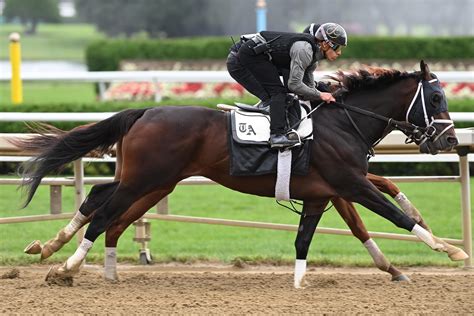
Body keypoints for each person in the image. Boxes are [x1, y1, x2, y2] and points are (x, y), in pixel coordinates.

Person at [230, 23, 347, 148]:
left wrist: (326, 93)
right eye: (337, 47)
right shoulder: (304, 50)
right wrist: (321, 95)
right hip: (251, 54)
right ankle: (276, 136)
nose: (339, 53)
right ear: (325, 44)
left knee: (282, 95)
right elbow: (294, 85)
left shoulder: (312, 59)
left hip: (260, 54)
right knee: (278, 93)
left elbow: (308, 88)